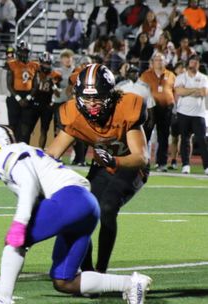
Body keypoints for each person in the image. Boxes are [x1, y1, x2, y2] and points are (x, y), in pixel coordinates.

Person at [0, 125, 152, 304]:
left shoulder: (6, 154)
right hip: (87, 205)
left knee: (15, 241)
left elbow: (29, 184)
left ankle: (3, 296)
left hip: (70, 198)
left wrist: (20, 223)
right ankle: (130, 283)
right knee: (64, 280)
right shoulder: (21, 152)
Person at [46, 63, 150, 274]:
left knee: (107, 209)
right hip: (102, 164)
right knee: (80, 212)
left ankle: (101, 272)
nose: (92, 104)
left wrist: (115, 162)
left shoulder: (126, 107)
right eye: (87, 98)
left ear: (110, 95)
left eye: (98, 98)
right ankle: (87, 271)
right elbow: (51, 154)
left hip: (128, 164)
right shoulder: (74, 114)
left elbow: (141, 157)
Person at [140, 52, 176, 171]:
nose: (159, 62)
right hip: (150, 109)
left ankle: (162, 163)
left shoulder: (171, 75)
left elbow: (174, 91)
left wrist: (173, 104)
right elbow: (140, 90)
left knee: (163, 136)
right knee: (146, 136)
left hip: (166, 108)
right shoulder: (146, 74)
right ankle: (143, 161)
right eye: (157, 59)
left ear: (165, 62)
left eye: (161, 60)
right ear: (152, 62)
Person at [174, 54, 208, 175]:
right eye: (192, 61)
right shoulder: (181, 77)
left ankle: (206, 166)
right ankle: (185, 165)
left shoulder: (203, 78)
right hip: (183, 112)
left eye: (196, 62)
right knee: (185, 139)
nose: (193, 63)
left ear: (198, 64)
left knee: (202, 139)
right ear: (188, 63)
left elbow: (204, 92)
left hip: (199, 113)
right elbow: (179, 91)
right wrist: (195, 90)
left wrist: (187, 90)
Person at [4, 40, 39, 143]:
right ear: (18, 51)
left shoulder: (34, 65)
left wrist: (28, 98)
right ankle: (11, 144)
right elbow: (9, 84)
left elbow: (36, 84)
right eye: (22, 51)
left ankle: (24, 145)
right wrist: (19, 98)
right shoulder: (12, 64)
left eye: (26, 51)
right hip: (15, 96)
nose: (24, 54)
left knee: (26, 124)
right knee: (13, 124)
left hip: (28, 97)